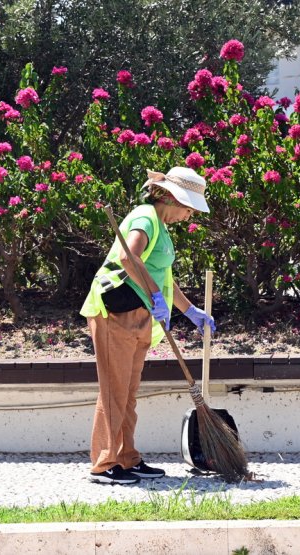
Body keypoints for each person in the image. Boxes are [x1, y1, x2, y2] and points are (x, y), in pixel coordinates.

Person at [79, 166, 217, 485]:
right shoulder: (145, 217)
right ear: (170, 198)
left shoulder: (162, 229)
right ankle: (104, 464)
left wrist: (190, 310)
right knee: (114, 390)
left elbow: (162, 277)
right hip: (116, 312)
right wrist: (155, 296)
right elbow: (130, 258)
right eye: (188, 208)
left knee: (127, 393)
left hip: (139, 317)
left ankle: (127, 458)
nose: (189, 215)